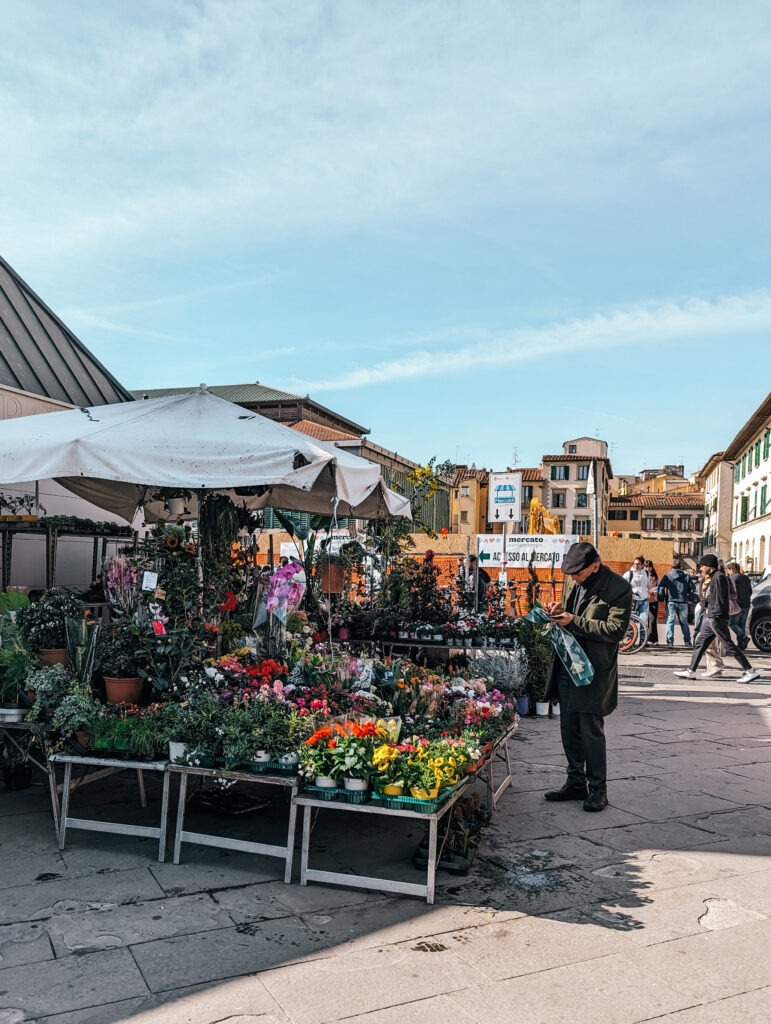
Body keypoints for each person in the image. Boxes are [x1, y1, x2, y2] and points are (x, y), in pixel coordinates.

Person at [543, 542, 632, 812]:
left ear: (595, 565)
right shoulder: (573, 581)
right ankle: (575, 782)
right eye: (569, 575)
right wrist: (558, 611)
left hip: (593, 668)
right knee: (568, 728)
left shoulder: (619, 588)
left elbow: (616, 630)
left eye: (577, 574)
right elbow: (569, 610)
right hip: (567, 663)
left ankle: (598, 789)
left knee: (590, 730)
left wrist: (574, 621)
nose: (572, 579)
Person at [674, 555, 759, 683]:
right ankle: (690, 670)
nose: (701, 568)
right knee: (700, 643)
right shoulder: (715, 577)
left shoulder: (718, 578)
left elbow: (720, 599)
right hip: (711, 617)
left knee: (728, 645)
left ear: (709, 566)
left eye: (702, 566)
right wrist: (706, 604)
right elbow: (713, 597)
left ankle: (750, 671)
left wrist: (715, 615)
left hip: (716, 617)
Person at [658, 559, 692, 647]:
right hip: (683, 601)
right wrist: (691, 598)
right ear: (680, 567)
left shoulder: (667, 576)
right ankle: (687, 641)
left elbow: (661, 588)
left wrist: (661, 598)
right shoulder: (686, 576)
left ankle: (670, 642)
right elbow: (692, 588)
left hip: (671, 602)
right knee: (684, 622)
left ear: (671, 566)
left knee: (670, 621)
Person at [726, 562, 752, 649]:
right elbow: (750, 591)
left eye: (728, 570)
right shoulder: (746, 577)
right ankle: (741, 645)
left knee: (732, 623)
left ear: (732, 569)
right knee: (742, 625)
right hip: (747, 604)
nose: (728, 572)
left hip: (737, 604)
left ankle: (744, 638)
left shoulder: (732, 578)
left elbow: (734, 592)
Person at [623, 556, 650, 629]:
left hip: (644, 600)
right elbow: (622, 585)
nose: (636, 566)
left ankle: (642, 639)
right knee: (631, 621)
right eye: (635, 564)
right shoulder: (628, 574)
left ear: (642, 565)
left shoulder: (646, 574)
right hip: (633, 600)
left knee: (643, 620)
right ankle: (630, 637)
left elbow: (648, 585)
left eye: (638, 564)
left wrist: (648, 594)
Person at [644, 560, 659, 644]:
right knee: (644, 621)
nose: (648, 568)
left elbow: (659, 587)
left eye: (649, 566)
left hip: (653, 601)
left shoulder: (655, 577)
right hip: (644, 600)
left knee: (652, 621)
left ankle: (654, 639)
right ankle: (644, 640)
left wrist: (653, 590)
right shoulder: (642, 575)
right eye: (646, 566)